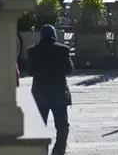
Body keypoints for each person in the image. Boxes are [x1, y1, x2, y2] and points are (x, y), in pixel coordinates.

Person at [27, 25, 72, 155]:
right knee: (62, 127)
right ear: (54, 35)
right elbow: (69, 70)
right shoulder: (63, 50)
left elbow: (30, 71)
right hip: (59, 94)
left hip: (40, 95)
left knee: (39, 127)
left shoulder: (32, 51)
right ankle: (58, 151)